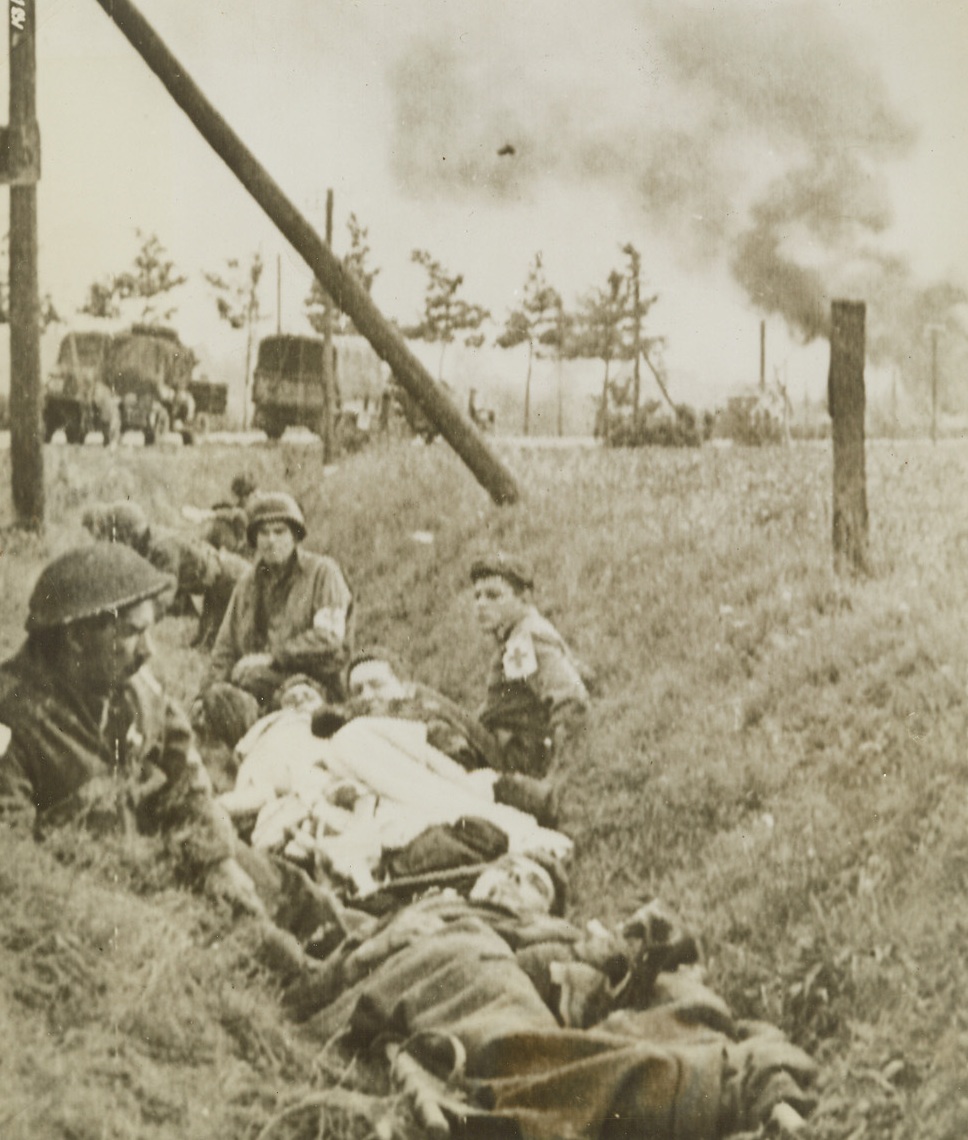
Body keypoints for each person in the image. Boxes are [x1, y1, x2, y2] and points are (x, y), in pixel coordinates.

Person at [0, 544, 260, 911]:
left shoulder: (134, 686)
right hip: (102, 901)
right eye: (133, 632)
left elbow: (185, 774)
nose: (148, 651)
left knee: (289, 894)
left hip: (163, 848)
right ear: (76, 638)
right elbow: (14, 863)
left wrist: (218, 859)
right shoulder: (11, 718)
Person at [196, 491, 354, 747]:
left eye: (280, 532)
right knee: (218, 698)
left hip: (313, 687)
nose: (271, 541)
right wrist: (201, 698)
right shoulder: (246, 585)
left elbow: (330, 640)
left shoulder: (322, 573)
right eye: (263, 533)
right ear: (254, 539)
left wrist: (274, 657)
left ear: (295, 535)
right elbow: (224, 650)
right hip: (258, 690)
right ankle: (260, 740)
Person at [471, 553, 589, 778]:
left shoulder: (525, 638)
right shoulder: (522, 633)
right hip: (510, 751)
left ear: (523, 598)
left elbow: (572, 700)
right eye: (477, 596)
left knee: (427, 707)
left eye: (493, 595)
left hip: (516, 760)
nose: (481, 604)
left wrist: (557, 775)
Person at [82, 499, 248, 648]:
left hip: (231, 579)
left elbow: (165, 593)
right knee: (202, 644)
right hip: (215, 583)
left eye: (120, 536)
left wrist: (139, 621)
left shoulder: (163, 549)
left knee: (218, 644)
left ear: (129, 534)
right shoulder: (147, 540)